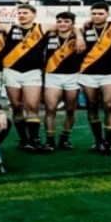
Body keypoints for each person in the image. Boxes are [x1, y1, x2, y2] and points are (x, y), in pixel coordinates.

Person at [5, 4, 75, 152]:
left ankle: (34, 140)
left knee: (32, 106)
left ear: (34, 15)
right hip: (11, 71)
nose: (22, 15)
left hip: (33, 72)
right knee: (16, 107)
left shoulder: (43, 28)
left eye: (25, 13)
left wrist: (80, 37)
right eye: (20, 13)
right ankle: (24, 140)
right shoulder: (9, 28)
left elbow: (70, 27)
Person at [79, 2, 111, 155]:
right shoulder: (84, 29)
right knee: (92, 106)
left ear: (107, 14)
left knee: (109, 104)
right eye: (94, 13)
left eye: (100, 13)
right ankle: (98, 141)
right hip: (88, 73)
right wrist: (79, 35)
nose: (97, 16)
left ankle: (110, 143)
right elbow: (73, 29)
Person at [42, 11, 86, 149]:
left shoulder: (80, 37)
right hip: (52, 76)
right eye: (59, 21)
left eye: (66, 21)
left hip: (72, 76)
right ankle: (50, 141)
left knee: (70, 110)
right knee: (50, 109)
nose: (62, 24)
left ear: (73, 23)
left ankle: (65, 139)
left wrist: (78, 34)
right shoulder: (49, 35)